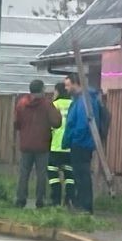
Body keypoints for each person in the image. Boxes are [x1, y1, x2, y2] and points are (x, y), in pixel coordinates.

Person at [14, 79, 62, 208]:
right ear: (42, 89)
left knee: (24, 173)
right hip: (42, 144)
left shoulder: (21, 104)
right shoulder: (47, 104)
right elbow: (56, 123)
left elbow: (16, 123)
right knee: (41, 174)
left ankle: (20, 199)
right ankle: (40, 200)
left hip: (26, 144)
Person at [62, 73, 105, 215]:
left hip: (81, 143)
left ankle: (84, 206)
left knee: (82, 175)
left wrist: (74, 138)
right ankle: (81, 204)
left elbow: (82, 123)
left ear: (76, 83)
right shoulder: (82, 99)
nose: (66, 89)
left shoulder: (83, 101)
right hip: (81, 142)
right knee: (80, 175)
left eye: (68, 85)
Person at [49, 82, 73, 205]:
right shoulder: (73, 105)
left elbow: (49, 126)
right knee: (69, 175)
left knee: (53, 173)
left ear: (57, 92)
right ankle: (69, 199)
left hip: (55, 145)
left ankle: (55, 199)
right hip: (70, 147)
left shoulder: (54, 105)